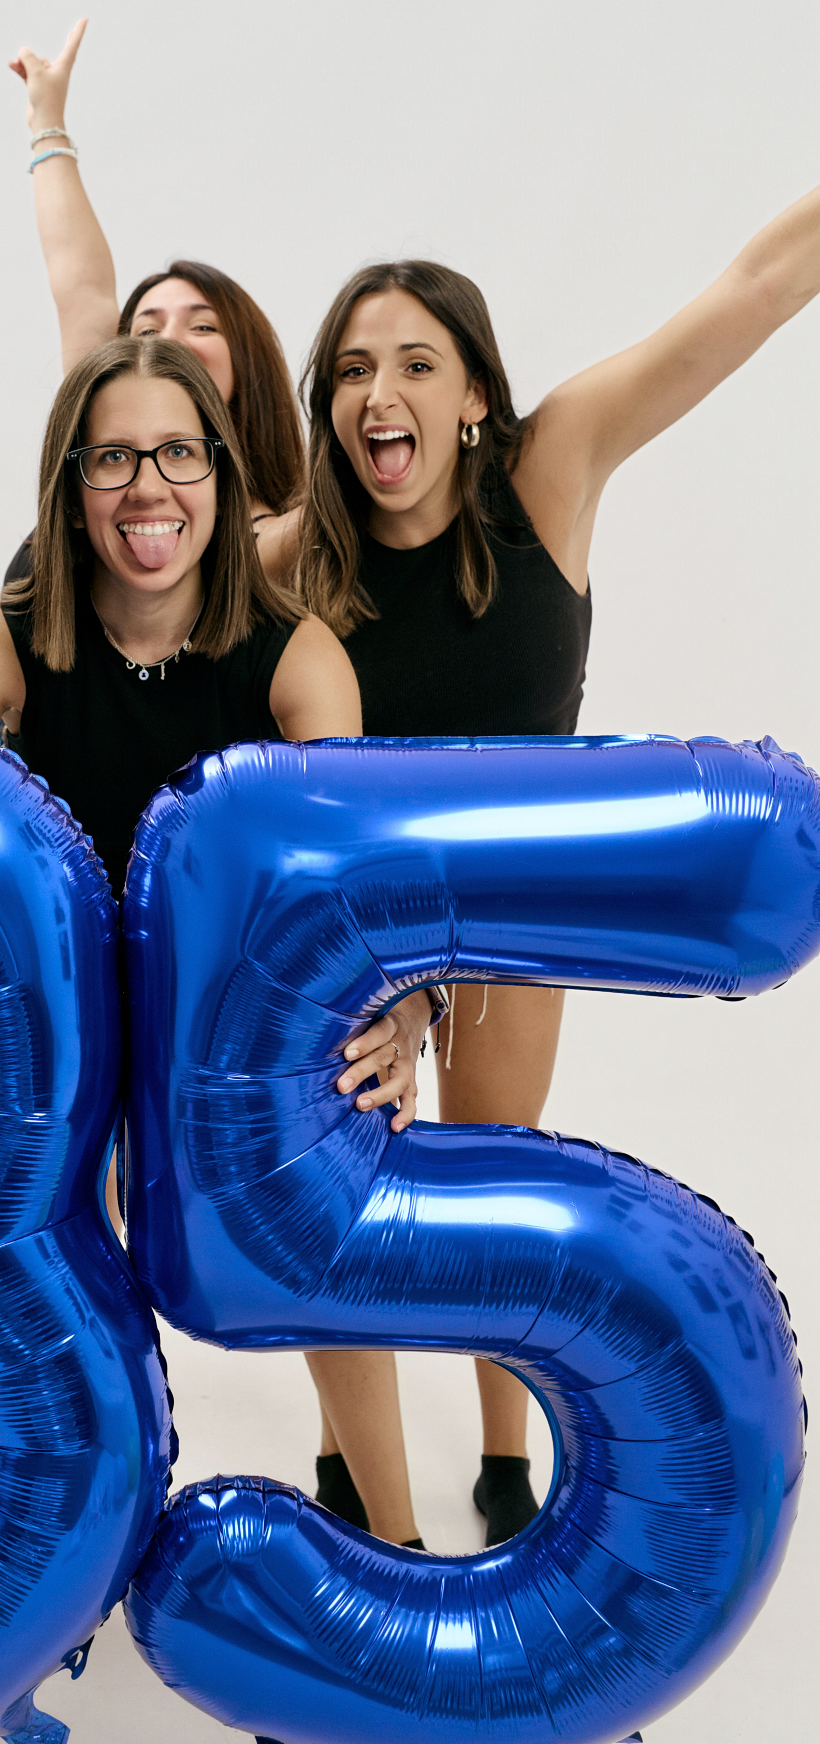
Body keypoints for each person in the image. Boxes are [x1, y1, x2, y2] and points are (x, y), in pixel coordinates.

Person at [279, 180, 820, 1545]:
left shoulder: (551, 465)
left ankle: (506, 1454)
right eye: (349, 369)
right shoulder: (296, 553)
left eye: (412, 362)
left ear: (474, 394)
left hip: (519, 912)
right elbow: (125, 575)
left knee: (495, 1182)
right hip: (363, 929)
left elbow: (746, 292)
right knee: (341, 1213)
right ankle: (371, 1492)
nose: (376, 393)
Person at [0, 331, 444, 1546]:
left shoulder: (296, 655)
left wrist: (413, 1008)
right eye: (112, 458)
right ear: (69, 489)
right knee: (37, 1253)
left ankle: (402, 1544)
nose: (147, 486)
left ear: (222, 478)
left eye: (177, 451)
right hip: (58, 1030)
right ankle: (44, 1552)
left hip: (230, 1030)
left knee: (324, 1220)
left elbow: (363, 884)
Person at [2, 18, 303, 594]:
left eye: (203, 324)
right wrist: (48, 122)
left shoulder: (273, 532)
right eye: (147, 328)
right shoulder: (100, 431)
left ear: (249, 361)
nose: (168, 341)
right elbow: (82, 283)